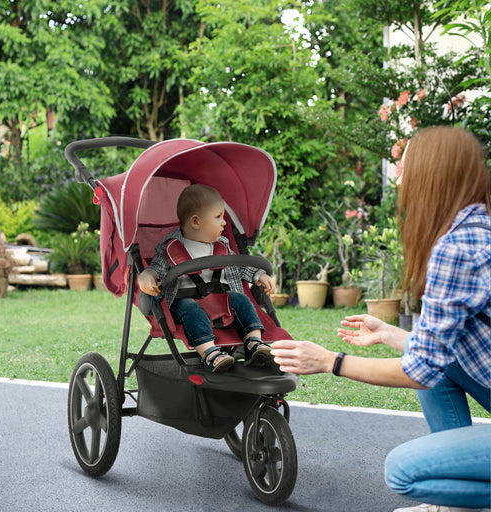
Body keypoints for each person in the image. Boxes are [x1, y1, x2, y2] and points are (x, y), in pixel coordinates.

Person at [271, 126, 491, 512]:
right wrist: (391, 333)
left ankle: (459, 499)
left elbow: (420, 370)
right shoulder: (476, 229)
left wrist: (330, 362)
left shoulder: (457, 248)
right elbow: (439, 351)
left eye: (405, 171)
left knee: (404, 471)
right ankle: (455, 505)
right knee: (437, 362)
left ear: (432, 177)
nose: (400, 181)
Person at [138, 184, 275, 373]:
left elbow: (240, 266)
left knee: (242, 300)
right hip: (185, 302)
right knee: (190, 308)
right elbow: (156, 268)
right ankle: (210, 353)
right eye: (218, 217)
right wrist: (147, 276)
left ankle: (253, 342)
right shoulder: (171, 248)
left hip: (220, 301)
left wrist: (259, 275)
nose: (224, 223)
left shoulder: (223, 245)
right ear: (196, 222)